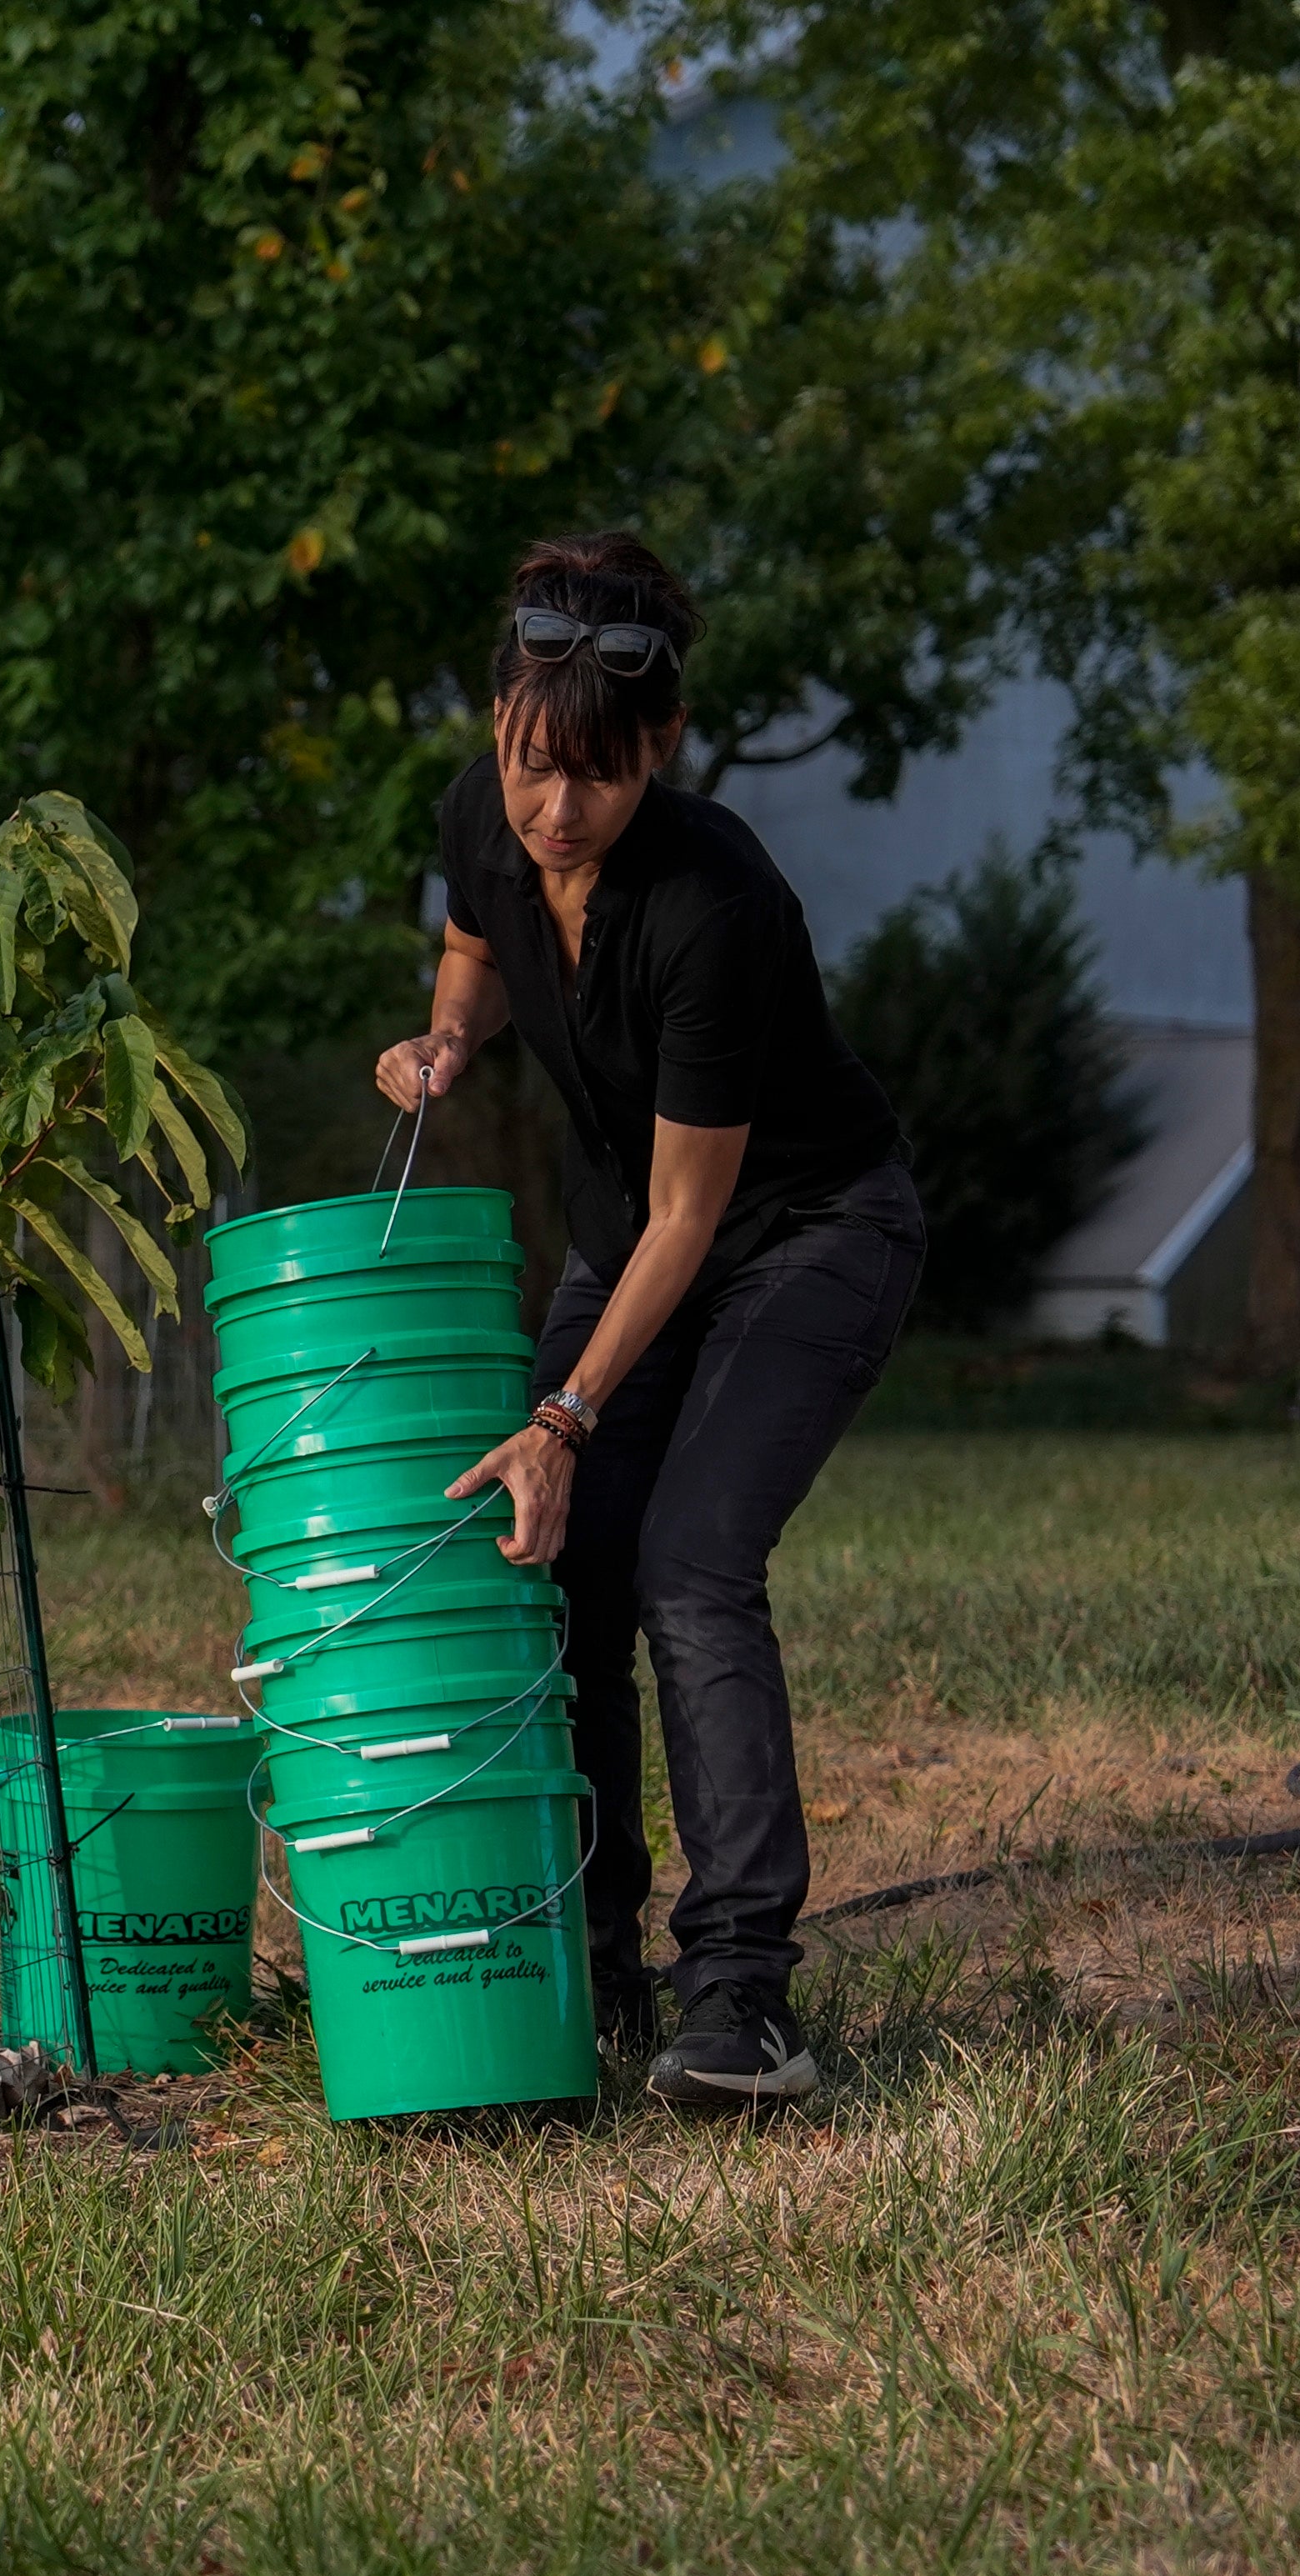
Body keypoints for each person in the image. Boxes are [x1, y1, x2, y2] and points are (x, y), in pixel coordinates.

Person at [378, 532, 922, 2110]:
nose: (560, 813)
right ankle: (595, 1965)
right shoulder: (487, 821)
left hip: (806, 1236)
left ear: (662, 750)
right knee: (561, 1575)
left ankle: (744, 2001)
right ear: (498, 731)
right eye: (539, 771)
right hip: (632, 1243)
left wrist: (565, 1416)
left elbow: (696, 1217)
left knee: (688, 1562)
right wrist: (447, 1042)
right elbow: (475, 949)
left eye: (602, 783)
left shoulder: (715, 901)